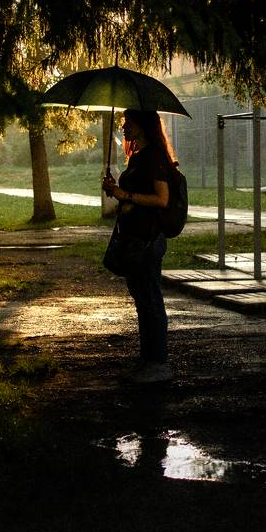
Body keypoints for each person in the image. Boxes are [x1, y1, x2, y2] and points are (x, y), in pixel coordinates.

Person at [101, 109, 176, 384]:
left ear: (142, 126)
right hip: (135, 238)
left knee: (151, 300)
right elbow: (132, 197)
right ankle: (148, 360)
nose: (123, 127)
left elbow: (162, 200)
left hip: (148, 238)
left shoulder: (154, 157)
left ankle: (158, 363)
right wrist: (116, 191)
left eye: (128, 122)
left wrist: (125, 194)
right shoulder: (137, 157)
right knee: (142, 299)